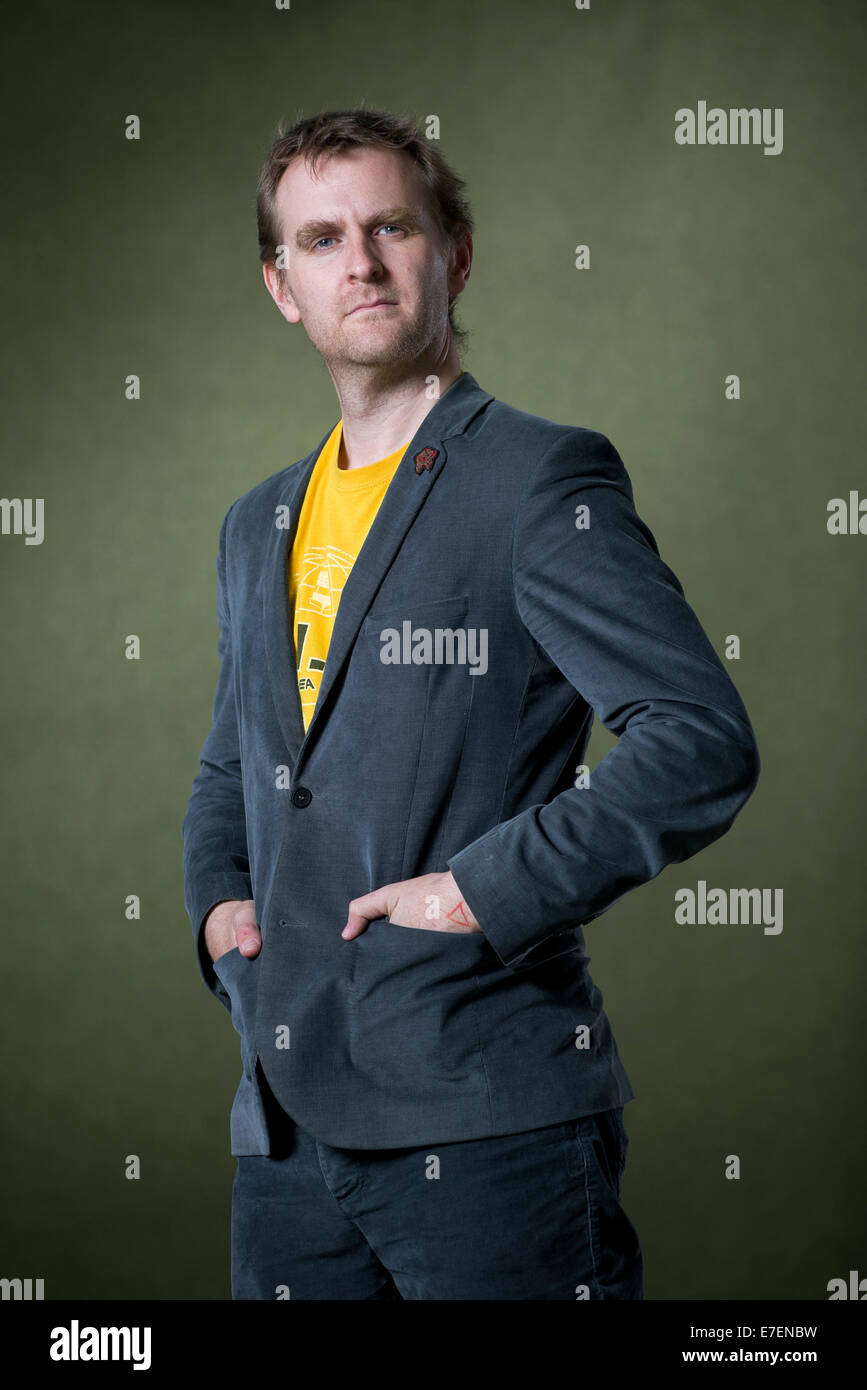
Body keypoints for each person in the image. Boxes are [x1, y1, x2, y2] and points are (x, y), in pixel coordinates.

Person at [181, 106, 760, 1301]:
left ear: (455, 251)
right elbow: (234, 766)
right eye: (325, 237)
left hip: (489, 1122)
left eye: (395, 226)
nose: (364, 261)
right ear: (282, 285)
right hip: (285, 1138)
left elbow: (698, 741)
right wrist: (217, 913)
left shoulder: (541, 478)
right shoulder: (258, 524)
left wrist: (481, 888)